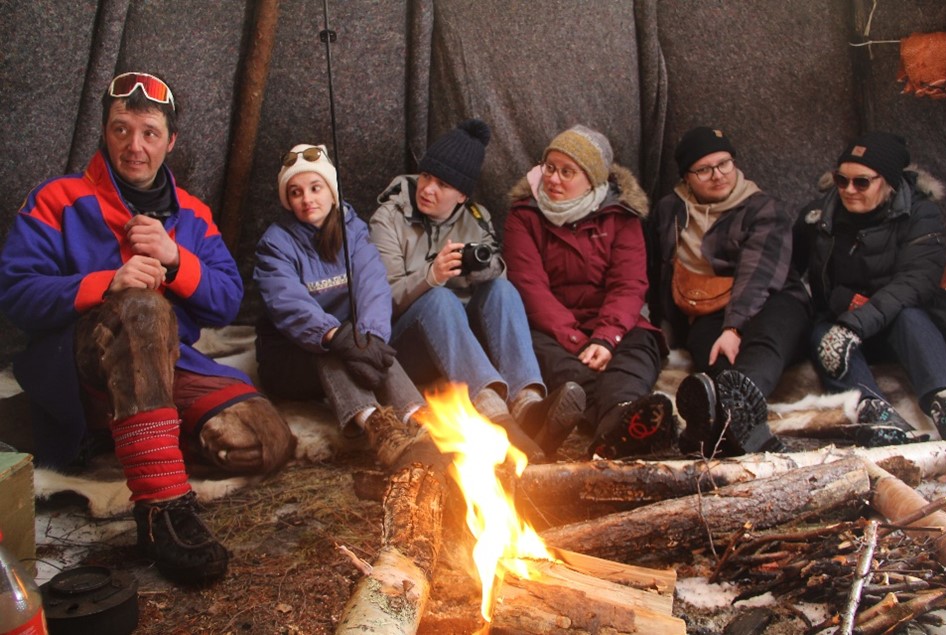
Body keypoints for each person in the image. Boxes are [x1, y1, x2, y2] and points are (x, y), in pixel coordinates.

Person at [0, 72, 296, 585]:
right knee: (141, 308)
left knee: (265, 441)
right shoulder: (57, 198)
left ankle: (130, 435)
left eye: (149, 132)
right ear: (105, 131)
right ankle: (162, 509)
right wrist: (104, 284)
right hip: (79, 364)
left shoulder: (193, 214)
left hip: (168, 366)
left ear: (170, 141)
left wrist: (177, 258)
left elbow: (226, 303)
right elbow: (14, 293)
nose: (134, 146)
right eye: (121, 129)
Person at [369, 119, 584, 461]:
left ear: (462, 195)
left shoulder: (476, 217)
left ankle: (528, 405)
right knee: (438, 297)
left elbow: (496, 271)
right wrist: (431, 275)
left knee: (502, 290)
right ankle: (492, 414)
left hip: (460, 347)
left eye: (442, 184)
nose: (427, 189)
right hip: (405, 347)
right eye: (426, 176)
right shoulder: (389, 218)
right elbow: (382, 301)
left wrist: (485, 267)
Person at [254, 143, 439, 470]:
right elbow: (287, 303)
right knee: (334, 351)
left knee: (376, 350)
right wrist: (335, 336)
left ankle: (421, 421)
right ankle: (380, 431)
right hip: (290, 357)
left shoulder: (353, 230)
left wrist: (370, 337)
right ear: (287, 200)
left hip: (348, 338)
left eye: (315, 188)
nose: (307, 199)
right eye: (295, 193)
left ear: (331, 191)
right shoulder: (275, 242)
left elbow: (373, 285)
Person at [505, 124, 674, 460]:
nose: (553, 179)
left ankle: (620, 416)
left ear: (593, 179)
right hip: (551, 331)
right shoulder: (523, 216)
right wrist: (577, 341)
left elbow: (629, 285)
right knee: (568, 373)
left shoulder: (621, 217)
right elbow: (530, 287)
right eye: (550, 168)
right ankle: (621, 425)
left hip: (616, 325)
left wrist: (606, 337)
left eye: (568, 172)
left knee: (633, 359)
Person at [645, 127, 811, 457]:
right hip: (708, 305)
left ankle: (734, 413)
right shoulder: (669, 211)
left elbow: (758, 273)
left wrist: (733, 327)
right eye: (704, 170)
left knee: (765, 342)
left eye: (724, 163)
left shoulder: (762, 208)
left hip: (775, 298)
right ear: (687, 177)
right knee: (715, 356)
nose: (718, 175)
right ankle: (732, 425)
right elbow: (656, 267)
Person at [793, 131, 946, 445]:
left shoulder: (921, 214)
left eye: (861, 182)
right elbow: (789, 273)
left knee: (909, 316)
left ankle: (945, 401)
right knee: (822, 334)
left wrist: (857, 322)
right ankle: (874, 413)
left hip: (902, 324)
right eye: (841, 180)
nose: (848, 190)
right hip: (841, 321)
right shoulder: (818, 217)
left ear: (888, 181)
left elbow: (915, 283)